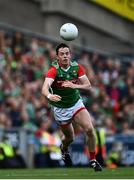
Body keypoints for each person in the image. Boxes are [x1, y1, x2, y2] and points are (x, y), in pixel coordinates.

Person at [42, 43, 102, 171]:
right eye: (62, 54)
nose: (65, 56)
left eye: (67, 53)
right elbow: (44, 88)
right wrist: (49, 96)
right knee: (70, 138)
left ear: (70, 55)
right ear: (57, 57)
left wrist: (75, 86)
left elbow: (88, 85)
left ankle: (93, 160)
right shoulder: (53, 70)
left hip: (76, 104)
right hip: (61, 109)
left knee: (90, 129)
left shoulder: (76, 67)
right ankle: (64, 149)